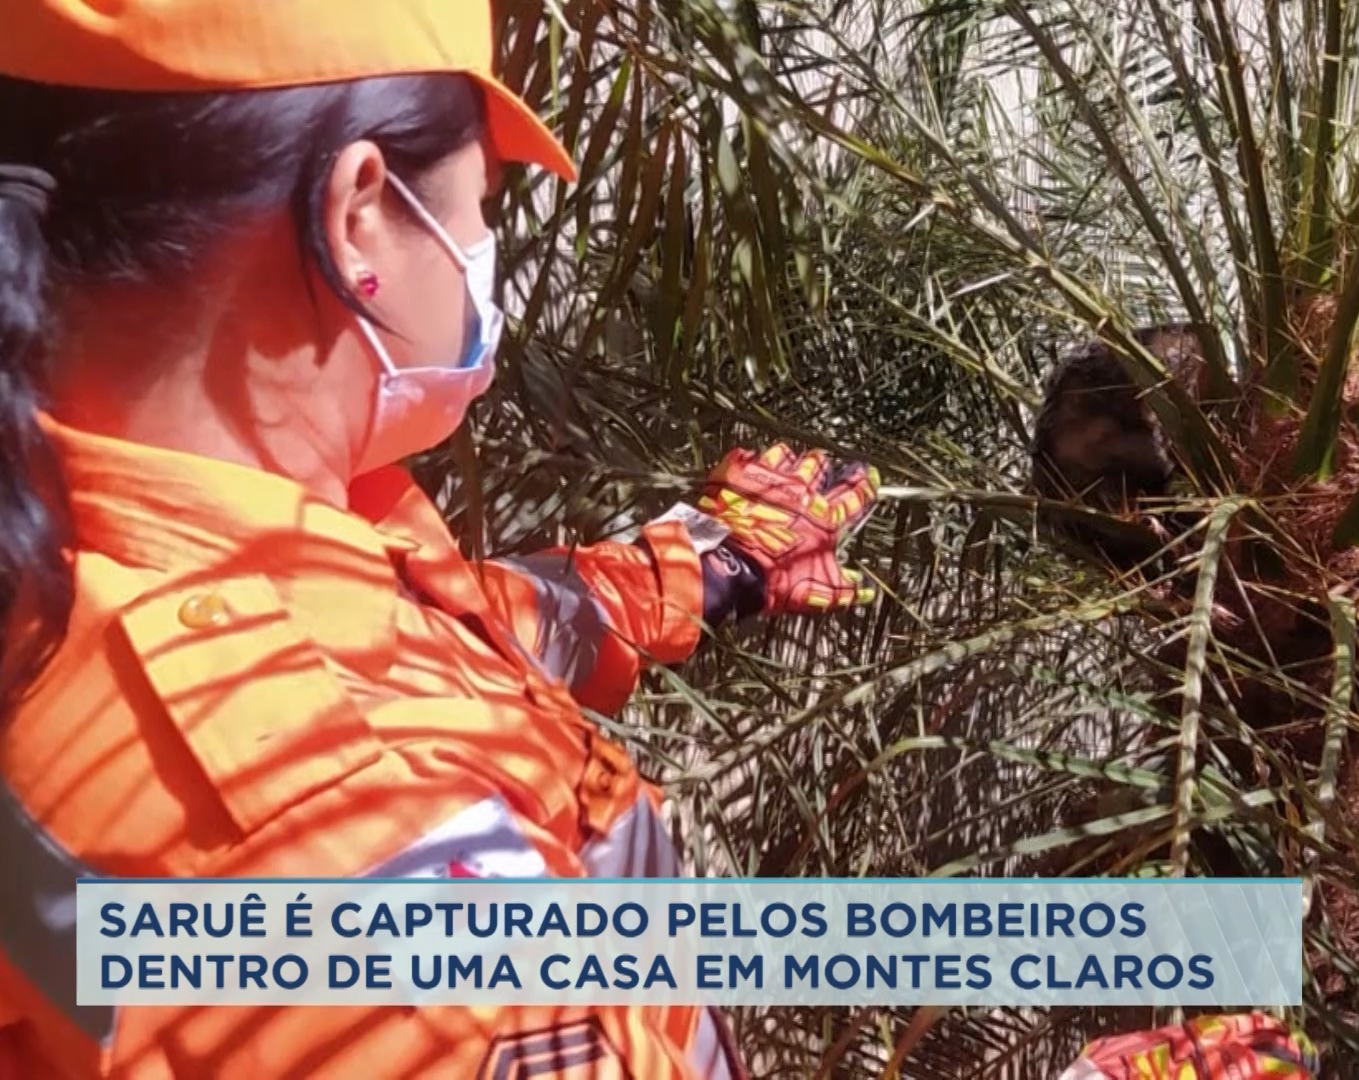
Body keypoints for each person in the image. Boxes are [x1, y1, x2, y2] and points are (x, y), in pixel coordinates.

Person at [0, 1, 878, 1076]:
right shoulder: (354, 851)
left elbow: (434, 632)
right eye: (481, 206)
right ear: (359, 213)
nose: (481, 248)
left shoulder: (91, 535)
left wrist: (700, 569)